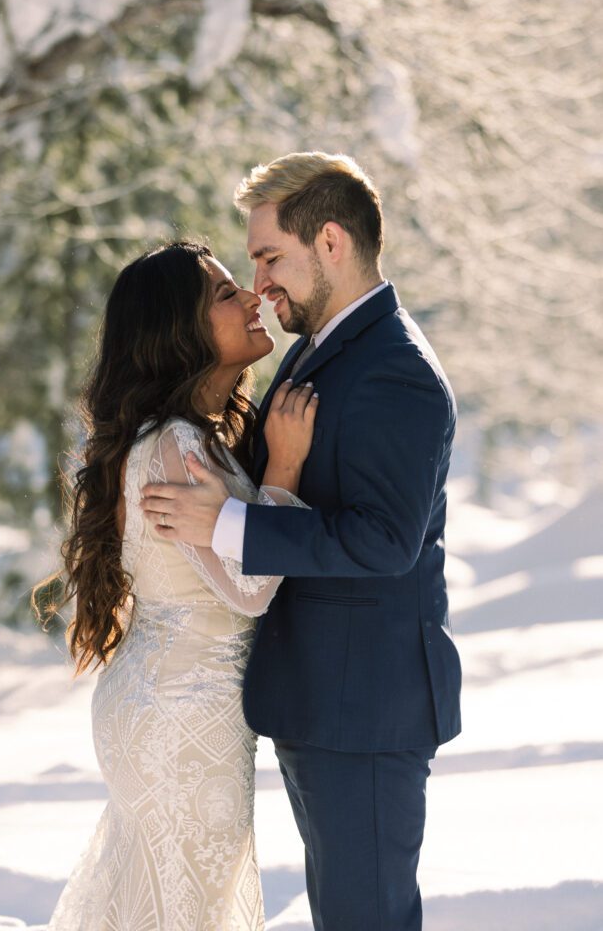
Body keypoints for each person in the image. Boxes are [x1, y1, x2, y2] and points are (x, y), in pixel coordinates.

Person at [141, 152, 462, 931]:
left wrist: (226, 524)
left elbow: (385, 542)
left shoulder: (395, 371)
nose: (260, 285)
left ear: (329, 243)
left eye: (269, 258)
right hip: (321, 704)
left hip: (365, 715)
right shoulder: (321, 351)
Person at [45, 242, 318, 931]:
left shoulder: (193, 438)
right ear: (181, 330)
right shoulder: (174, 445)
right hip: (181, 716)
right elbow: (249, 591)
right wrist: (283, 473)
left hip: (173, 704)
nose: (253, 299)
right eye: (227, 294)